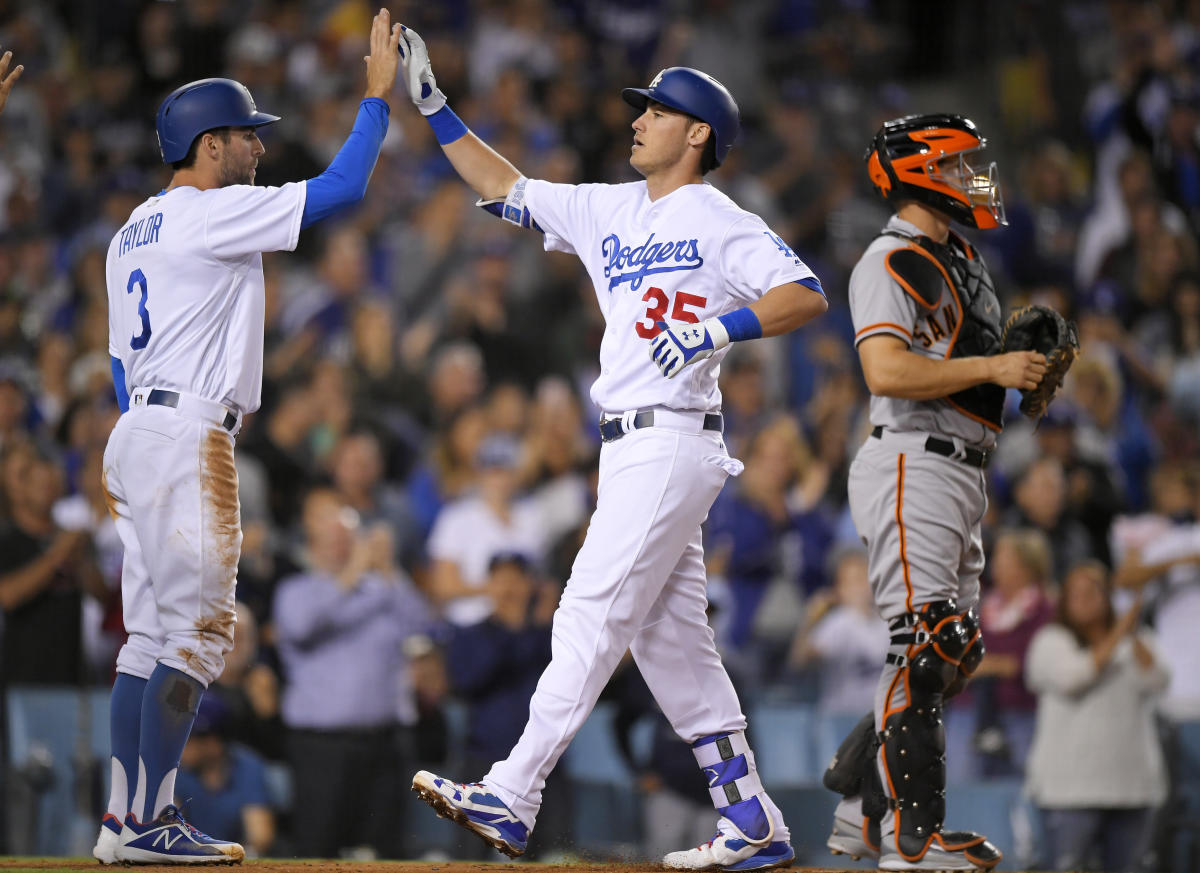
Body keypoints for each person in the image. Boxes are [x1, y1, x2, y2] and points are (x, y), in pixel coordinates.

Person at [399, 29, 828, 871]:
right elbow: (506, 187)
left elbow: (803, 293)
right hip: (631, 445)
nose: (639, 120)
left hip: (672, 435)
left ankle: (513, 791)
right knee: (673, 645)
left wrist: (719, 325)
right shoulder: (609, 207)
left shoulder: (717, 216)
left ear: (697, 133)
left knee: (587, 611)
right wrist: (436, 109)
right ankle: (751, 818)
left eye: (658, 110)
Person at [93, 11, 403, 865]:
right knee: (198, 638)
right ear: (209, 143)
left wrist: (153, 427)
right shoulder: (209, 212)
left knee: (150, 638)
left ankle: (125, 819)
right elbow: (342, 189)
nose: (259, 148)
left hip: (138, 424)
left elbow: (120, 366)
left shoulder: (131, 232)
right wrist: (376, 101)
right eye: (246, 136)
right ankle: (151, 823)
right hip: (189, 429)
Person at [822, 114, 1048, 872]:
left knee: (946, 657)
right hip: (911, 459)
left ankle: (860, 811)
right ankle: (913, 845)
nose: (969, 178)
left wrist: (1018, 365)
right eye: (954, 166)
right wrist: (995, 370)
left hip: (957, 469)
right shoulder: (889, 259)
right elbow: (885, 372)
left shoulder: (957, 257)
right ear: (918, 171)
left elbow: (963, 362)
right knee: (926, 642)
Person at [273, 487, 432, 859]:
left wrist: (389, 568)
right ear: (312, 545)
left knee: (388, 852)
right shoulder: (297, 590)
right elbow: (300, 626)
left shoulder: (380, 591)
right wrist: (354, 570)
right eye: (331, 541)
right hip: (321, 747)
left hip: (383, 743)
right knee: (317, 850)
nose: (340, 549)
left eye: (346, 541)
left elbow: (423, 624)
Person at [1025, 562, 1169, 872]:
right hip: (1069, 791)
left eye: (1093, 592)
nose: (1086, 600)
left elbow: (1159, 680)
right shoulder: (1050, 641)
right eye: (1076, 593)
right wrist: (1120, 630)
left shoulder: (1136, 640)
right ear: (1063, 600)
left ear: (1108, 597)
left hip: (1132, 787)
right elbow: (1074, 678)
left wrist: (1130, 631)